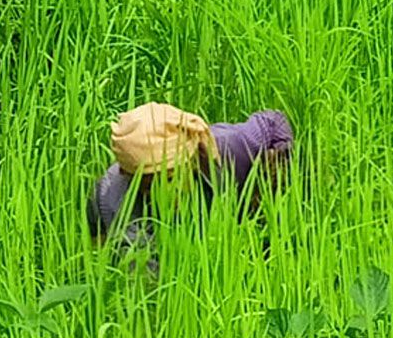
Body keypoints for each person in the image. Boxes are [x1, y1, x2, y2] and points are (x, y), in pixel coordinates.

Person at [89, 103, 294, 266]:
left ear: (192, 160)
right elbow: (151, 285)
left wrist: (274, 176)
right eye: (149, 185)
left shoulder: (227, 148)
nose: (164, 192)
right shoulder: (119, 205)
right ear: (130, 177)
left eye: (170, 177)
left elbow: (274, 122)